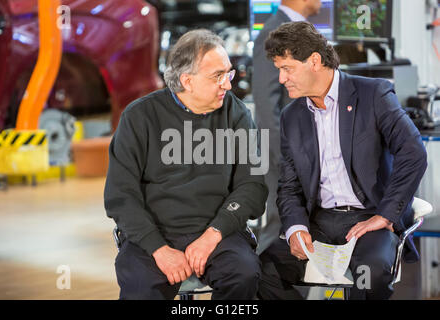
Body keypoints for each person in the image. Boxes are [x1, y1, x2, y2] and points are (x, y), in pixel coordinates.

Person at [257, 21, 427, 300]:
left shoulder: (373, 94)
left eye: (287, 69)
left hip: (367, 218)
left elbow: (413, 152)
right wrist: (296, 227)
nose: (281, 79)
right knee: (262, 270)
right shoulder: (292, 116)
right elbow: (288, 186)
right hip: (319, 222)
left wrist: (384, 215)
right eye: (279, 70)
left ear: (314, 61)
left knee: (369, 274)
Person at [104, 29, 268, 300]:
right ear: (187, 81)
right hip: (155, 234)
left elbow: (252, 185)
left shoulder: (236, 113)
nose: (228, 84)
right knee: (141, 290)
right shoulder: (139, 117)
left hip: (219, 232)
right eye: (218, 76)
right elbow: (120, 197)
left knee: (244, 274)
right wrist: (159, 249)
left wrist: (213, 234)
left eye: (228, 73)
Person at [252, 0, 322, 255]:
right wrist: (282, 154)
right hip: (284, 149)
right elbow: (265, 99)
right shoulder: (273, 33)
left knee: (300, 223)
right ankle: (259, 287)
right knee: (280, 222)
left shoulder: (302, 30)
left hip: (304, 148)